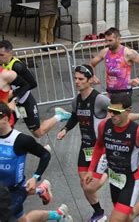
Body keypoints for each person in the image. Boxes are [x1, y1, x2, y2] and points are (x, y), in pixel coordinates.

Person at [83, 93, 139, 221]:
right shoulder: (104, 126)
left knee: (115, 220)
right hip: (114, 177)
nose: (112, 115)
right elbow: (99, 145)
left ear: (128, 111)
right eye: (110, 110)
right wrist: (90, 170)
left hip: (131, 179)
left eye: (116, 111)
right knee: (128, 216)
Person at [55, 65, 111, 221]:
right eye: (75, 78)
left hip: (101, 149)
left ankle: (110, 170)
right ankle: (99, 213)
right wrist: (65, 130)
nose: (77, 82)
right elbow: (74, 117)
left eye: (81, 79)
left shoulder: (99, 99)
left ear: (90, 80)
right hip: (85, 147)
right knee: (83, 183)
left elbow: (117, 110)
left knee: (90, 186)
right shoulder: (76, 100)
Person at [0, 40, 72, 138]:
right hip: (15, 103)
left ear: (10, 53)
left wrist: (15, 96)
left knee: (38, 133)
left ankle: (59, 115)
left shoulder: (18, 66)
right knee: (5, 128)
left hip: (25, 102)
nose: (0, 57)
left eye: (1, 55)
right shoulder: (4, 64)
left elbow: (32, 84)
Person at [89, 27, 139, 128]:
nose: (107, 43)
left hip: (124, 91)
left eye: (110, 40)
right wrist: (92, 76)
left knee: (115, 118)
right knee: (119, 118)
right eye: (106, 40)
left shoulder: (128, 53)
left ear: (118, 39)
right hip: (110, 91)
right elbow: (92, 63)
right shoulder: (105, 52)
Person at [0, 102, 53, 220]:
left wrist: (35, 177)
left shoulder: (21, 140)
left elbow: (45, 155)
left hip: (16, 190)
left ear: (5, 119)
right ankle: (58, 214)